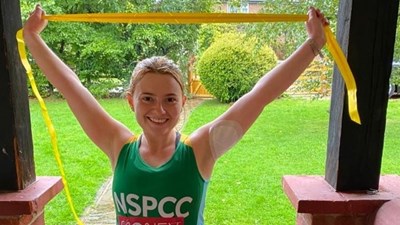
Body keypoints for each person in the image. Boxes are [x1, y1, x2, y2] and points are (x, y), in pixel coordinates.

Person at [23, 4, 329, 225]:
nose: (159, 109)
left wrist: (313, 45)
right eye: (148, 99)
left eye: (170, 99)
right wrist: (33, 38)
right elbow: (72, 87)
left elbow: (259, 95)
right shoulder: (118, 144)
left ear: (183, 101)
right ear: (131, 101)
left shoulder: (201, 149)